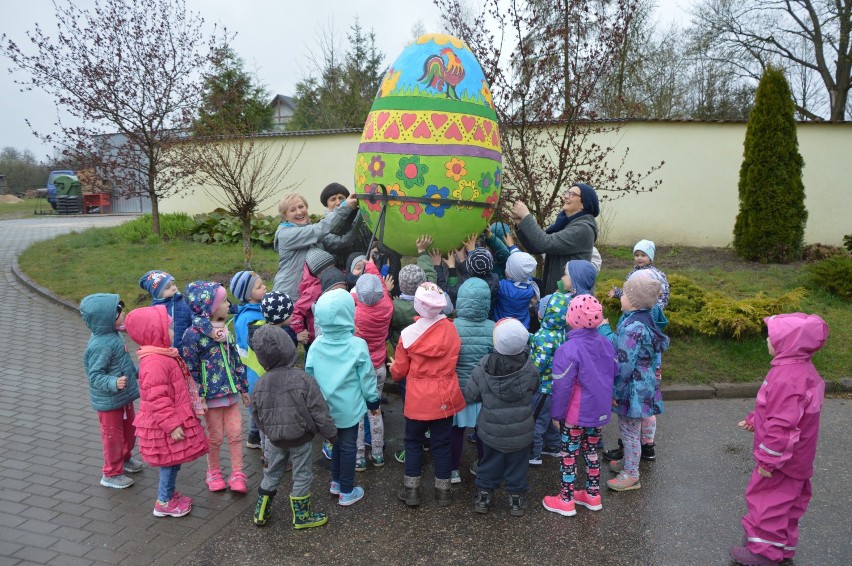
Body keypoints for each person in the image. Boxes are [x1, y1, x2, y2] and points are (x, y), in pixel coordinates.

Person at [729, 313, 829, 566]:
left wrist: (767, 460)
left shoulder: (787, 379)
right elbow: (778, 410)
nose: (767, 339)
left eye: (772, 336)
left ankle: (763, 553)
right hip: (798, 459)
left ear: (789, 343)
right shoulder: (800, 370)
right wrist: (755, 418)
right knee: (788, 504)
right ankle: (781, 547)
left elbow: (783, 425)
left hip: (782, 461)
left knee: (767, 503)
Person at [250, 325, 338, 529]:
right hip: (301, 438)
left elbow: (256, 415)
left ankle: (261, 512)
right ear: (289, 348)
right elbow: (319, 410)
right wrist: (331, 435)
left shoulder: (260, 384)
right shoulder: (303, 379)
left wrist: (269, 430)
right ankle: (301, 516)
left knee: (271, 473)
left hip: (274, 439)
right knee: (302, 474)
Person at [124, 305, 208, 518]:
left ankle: (168, 494)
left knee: (174, 460)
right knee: (169, 463)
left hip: (169, 420)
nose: (173, 332)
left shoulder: (162, 355)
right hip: (165, 424)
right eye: (168, 328)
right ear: (154, 332)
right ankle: (164, 502)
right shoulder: (155, 362)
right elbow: (157, 398)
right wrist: (171, 424)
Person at [390, 282, 466, 507]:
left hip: (417, 399)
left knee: (413, 442)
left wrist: (393, 367)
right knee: (442, 443)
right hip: (444, 397)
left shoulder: (407, 335)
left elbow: (400, 372)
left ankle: (411, 490)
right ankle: (443, 492)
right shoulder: (451, 329)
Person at [542, 295, 617, 516]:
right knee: (592, 451)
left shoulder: (568, 349)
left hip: (575, 415)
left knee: (569, 454)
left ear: (572, 318)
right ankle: (593, 495)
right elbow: (615, 372)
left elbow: (562, 387)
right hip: (599, 413)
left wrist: (557, 415)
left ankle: (566, 499)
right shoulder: (606, 344)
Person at [305, 288, 380, 507]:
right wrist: (373, 401)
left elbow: (309, 377)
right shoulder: (357, 345)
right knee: (347, 446)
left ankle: (336, 482)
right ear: (350, 314)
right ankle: (347, 490)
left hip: (324, 409)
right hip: (349, 408)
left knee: (335, 443)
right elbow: (367, 377)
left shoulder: (316, 345)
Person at [598, 272, 668, 492]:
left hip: (631, 388)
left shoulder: (632, 328)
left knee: (629, 432)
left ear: (635, 301)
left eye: (625, 294)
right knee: (631, 430)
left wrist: (615, 393)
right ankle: (630, 462)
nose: (621, 297)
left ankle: (631, 474)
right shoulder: (644, 319)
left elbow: (623, 362)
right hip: (643, 383)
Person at [464, 318, 539, 516]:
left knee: (488, 462)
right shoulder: (530, 368)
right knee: (518, 464)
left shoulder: (484, 366)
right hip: (521, 431)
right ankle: (516, 499)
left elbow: (471, 394)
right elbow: (535, 388)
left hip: (491, 429)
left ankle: (484, 496)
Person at [181, 281, 251, 494]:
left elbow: (236, 361)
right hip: (210, 397)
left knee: (237, 433)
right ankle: (214, 472)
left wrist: (243, 388)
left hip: (230, 394)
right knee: (216, 436)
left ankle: (238, 473)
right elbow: (191, 369)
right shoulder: (193, 335)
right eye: (223, 301)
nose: (228, 304)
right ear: (209, 307)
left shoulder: (225, 331)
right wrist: (199, 396)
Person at [81, 293, 142, 489]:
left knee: (130, 431)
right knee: (112, 437)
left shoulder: (112, 334)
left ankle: (125, 458)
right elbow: (95, 375)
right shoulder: (100, 345)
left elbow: (123, 363)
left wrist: (138, 372)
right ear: (105, 319)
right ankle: (111, 473)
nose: (123, 313)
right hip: (110, 402)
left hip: (123, 397)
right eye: (118, 312)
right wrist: (113, 382)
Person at [512, 183, 599, 296]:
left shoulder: (583, 229)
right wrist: (520, 224)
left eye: (572, 194)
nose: (566, 196)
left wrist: (526, 216)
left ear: (584, 204)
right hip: (558, 295)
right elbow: (536, 248)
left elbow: (545, 243)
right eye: (567, 193)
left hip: (569, 301)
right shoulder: (564, 224)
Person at [272, 191, 358, 300]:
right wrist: (345, 207)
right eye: (292, 210)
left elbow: (342, 241)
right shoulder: (285, 235)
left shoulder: (307, 231)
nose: (299, 212)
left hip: (308, 294)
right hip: (288, 295)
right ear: (285, 216)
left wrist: (359, 215)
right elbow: (318, 230)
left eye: (301, 207)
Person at [450, 278, 495, 483]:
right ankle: (483, 467)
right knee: (482, 432)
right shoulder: (493, 328)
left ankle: (452, 470)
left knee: (455, 432)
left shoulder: (452, 327)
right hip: (483, 392)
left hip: (458, 390)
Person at [352, 262, 394, 472]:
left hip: (360, 369)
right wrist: (370, 264)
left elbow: (350, 299)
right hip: (379, 367)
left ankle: (359, 456)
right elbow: (382, 287)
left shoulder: (356, 314)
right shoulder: (387, 305)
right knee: (375, 411)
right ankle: (377, 453)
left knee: (359, 414)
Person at [528, 292, 570, 466]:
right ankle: (553, 447)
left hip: (542, 388)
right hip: (554, 388)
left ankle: (533, 454)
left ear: (546, 313)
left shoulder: (544, 336)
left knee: (534, 421)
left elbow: (538, 365)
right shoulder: (561, 332)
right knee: (548, 419)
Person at [229, 270, 268, 450]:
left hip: (256, 367)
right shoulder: (248, 317)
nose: (265, 287)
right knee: (259, 404)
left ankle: (253, 436)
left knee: (257, 405)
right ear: (248, 295)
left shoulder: (256, 310)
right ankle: (262, 440)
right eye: (259, 286)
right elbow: (253, 344)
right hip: (254, 369)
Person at [139, 270, 193, 351]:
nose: (173, 288)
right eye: (168, 287)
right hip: (165, 352)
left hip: (186, 350)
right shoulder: (154, 311)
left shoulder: (185, 304)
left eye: (173, 284)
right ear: (157, 293)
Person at [608, 239, 670, 309]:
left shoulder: (656, 274)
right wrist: (617, 292)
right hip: (635, 309)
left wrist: (658, 307)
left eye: (643, 255)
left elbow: (664, 292)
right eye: (637, 255)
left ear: (650, 257)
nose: (639, 258)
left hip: (651, 309)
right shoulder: (632, 274)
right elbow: (629, 293)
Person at [492, 244, 539, 329]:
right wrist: (512, 246)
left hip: (501, 327)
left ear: (511, 273)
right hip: (522, 327)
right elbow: (524, 265)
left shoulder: (503, 287)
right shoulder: (530, 288)